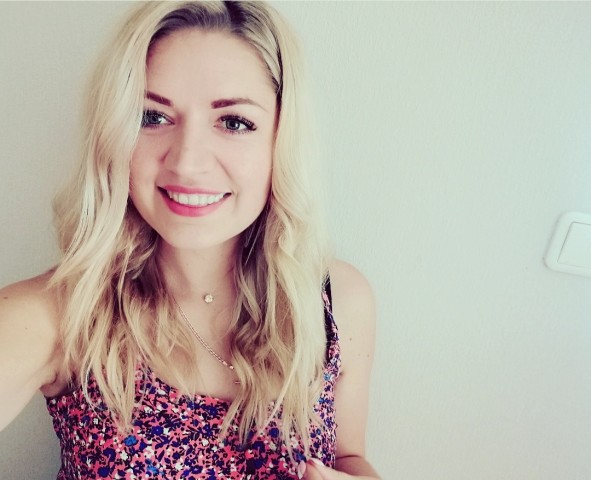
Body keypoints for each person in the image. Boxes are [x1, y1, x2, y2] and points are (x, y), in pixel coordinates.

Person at [0, 1, 379, 479]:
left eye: (234, 122)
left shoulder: (337, 303)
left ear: (280, 139)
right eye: (152, 116)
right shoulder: (60, 316)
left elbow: (348, 457)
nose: (187, 161)